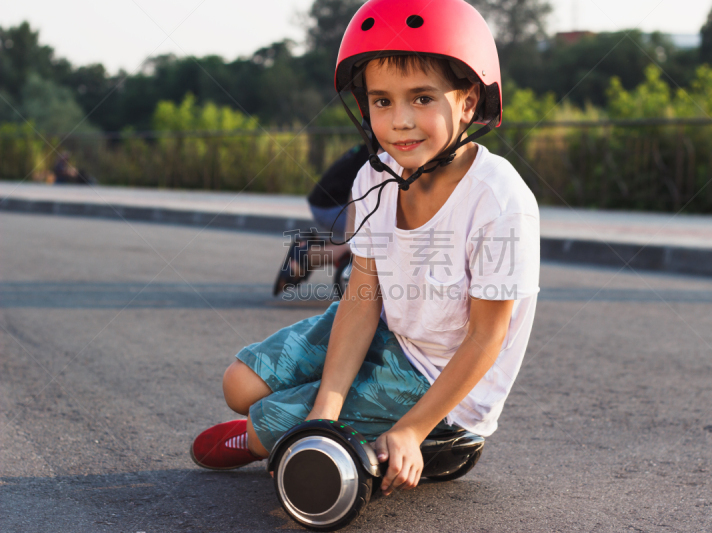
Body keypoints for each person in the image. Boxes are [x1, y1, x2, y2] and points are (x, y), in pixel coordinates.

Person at [190, 0, 540, 499]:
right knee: (238, 386)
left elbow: (487, 338)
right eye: (382, 101)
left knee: (268, 420)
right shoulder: (374, 176)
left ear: (467, 102)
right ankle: (288, 425)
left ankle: (261, 438)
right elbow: (362, 294)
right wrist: (324, 409)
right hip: (384, 328)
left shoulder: (499, 199)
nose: (399, 121)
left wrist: (413, 430)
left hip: (438, 385)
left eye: (421, 98)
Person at [272, 144, 370, 296]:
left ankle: (313, 247)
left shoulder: (376, 142)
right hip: (329, 206)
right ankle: (308, 254)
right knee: (368, 242)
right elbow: (356, 191)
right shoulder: (380, 152)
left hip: (328, 201)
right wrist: (352, 241)